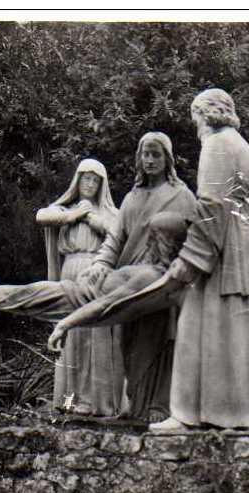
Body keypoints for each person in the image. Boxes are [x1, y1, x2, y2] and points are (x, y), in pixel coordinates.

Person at [150, 89, 249, 431]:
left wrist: (189, 259)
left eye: (195, 119)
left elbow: (211, 207)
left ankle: (187, 414)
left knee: (196, 328)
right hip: (243, 247)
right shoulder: (244, 148)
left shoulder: (217, 146)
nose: (195, 127)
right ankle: (244, 414)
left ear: (207, 115)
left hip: (220, 251)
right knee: (237, 334)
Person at [0, 211, 189, 353]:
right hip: (72, 291)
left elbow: (105, 305)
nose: (147, 243)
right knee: (9, 296)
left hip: (69, 297)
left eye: (153, 238)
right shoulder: (158, 274)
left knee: (9, 297)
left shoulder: (152, 276)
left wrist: (64, 325)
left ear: (165, 240)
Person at [79, 133, 197, 423]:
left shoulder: (181, 195)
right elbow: (115, 238)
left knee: (158, 341)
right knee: (129, 344)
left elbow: (194, 238)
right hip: (128, 280)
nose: (150, 160)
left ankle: (159, 406)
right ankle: (134, 404)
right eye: (146, 154)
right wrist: (100, 263)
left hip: (161, 281)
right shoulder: (132, 197)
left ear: (167, 159)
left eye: (156, 154)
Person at [35, 159, 123, 417]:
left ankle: (94, 400)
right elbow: (42, 216)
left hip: (96, 272)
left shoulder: (108, 213)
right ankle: (70, 400)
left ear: (101, 185)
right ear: (77, 180)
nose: (90, 184)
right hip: (70, 272)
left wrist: (93, 219)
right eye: (85, 178)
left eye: (95, 180)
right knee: (70, 337)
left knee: (91, 337)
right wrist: (75, 214)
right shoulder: (66, 209)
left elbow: (119, 232)